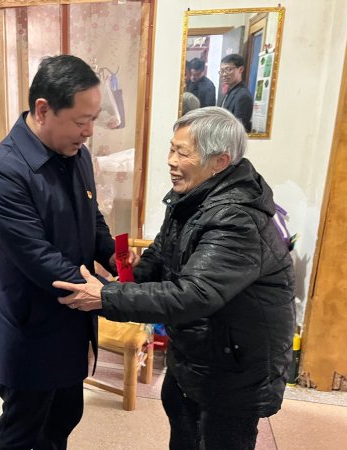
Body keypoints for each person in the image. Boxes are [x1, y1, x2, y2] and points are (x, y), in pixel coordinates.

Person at [54, 107, 296, 450]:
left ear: (220, 162)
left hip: (234, 368)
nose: (170, 161)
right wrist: (128, 276)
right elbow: (160, 255)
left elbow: (193, 295)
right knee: (182, 430)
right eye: (171, 149)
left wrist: (106, 297)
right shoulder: (191, 198)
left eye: (182, 153)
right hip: (197, 353)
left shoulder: (237, 219)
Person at [0, 55, 135, 450]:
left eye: (94, 119)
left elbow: (91, 218)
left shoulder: (76, 154)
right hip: (32, 328)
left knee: (64, 418)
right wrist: (111, 294)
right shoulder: (5, 172)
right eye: (81, 121)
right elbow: (38, 258)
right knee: (22, 430)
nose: (89, 131)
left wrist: (115, 256)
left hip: (74, 320)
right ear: (43, 110)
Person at [217, 53, 254, 132]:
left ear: (240, 69)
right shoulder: (230, 91)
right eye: (222, 71)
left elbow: (238, 128)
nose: (224, 74)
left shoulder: (242, 96)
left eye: (228, 69)